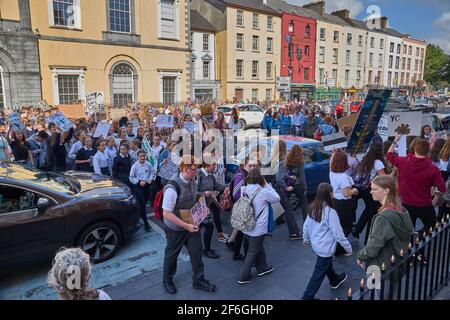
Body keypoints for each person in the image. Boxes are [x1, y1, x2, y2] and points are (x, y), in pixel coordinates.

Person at [162, 155, 216, 295]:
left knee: (197, 252)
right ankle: (167, 280)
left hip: (191, 224)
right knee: (172, 254)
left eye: (197, 169)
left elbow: (192, 195)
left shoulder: (192, 179)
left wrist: (203, 195)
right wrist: (186, 226)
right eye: (194, 169)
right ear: (184, 169)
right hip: (175, 227)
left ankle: (198, 280)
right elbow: (167, 214)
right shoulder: (171, 188)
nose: (196, 172)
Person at [357, 175, 414, 300]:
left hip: (380, 266)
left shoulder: (383, 218)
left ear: (386, 190)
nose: (370, 191)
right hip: (397, 263)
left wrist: (361, 255)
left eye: (375, 189)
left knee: (377, 296)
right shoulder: (402, 210)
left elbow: (374, 245)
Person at [386, 137, 446, 244]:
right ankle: (419, 244)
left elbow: (389, 154)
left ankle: (409, 252)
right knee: (432, 227)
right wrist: (433, 187)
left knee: (408, 232)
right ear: (428, 151)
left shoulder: (403, 161)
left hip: (407, 204)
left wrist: (396, 139)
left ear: (414, 150)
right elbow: (442, 188)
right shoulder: (433, 169)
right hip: (425, 205)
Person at [302, 183, 352, 300]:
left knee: (325, 263)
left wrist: (306, 238)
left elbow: (306, 226)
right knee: (318, 273)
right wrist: (348, 248)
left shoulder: (312, 207)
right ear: (329, 194)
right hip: (326, 247)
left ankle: (334, 280)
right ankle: (307, 297)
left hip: (317, 245)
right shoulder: (330, 212)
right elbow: (338, 234)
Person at [238, 168, 279, 284]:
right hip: (258, 227)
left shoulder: (243, 189)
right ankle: (243, 276)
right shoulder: (263, 191)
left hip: (246, 224)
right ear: (260, 179)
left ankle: (262, 268)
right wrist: (266, 184)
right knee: (252, 251)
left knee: (257, 246)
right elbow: (277, 198)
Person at [352, 142, 386, 243]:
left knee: (368, 209)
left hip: (363, 189)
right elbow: (383, 177)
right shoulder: (378, 162)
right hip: (372, 189)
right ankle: (368, 240)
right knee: (373, 213)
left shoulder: (366, 159)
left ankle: (358, 229)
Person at [226, 156, 258, 260]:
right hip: (240, 207)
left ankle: (234, 250)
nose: (253, 167)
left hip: (242, 207)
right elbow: (236, 194)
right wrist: (249, 197)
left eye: (254, 165)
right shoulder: (241, 176)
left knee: (240, 231)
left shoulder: (246, 174)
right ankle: (236, 253)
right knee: (240, 231)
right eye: (250, 165)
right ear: (243, 165)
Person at [268, 140, 302, 240]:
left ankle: (278, 221)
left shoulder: (272, 159)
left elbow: (275, 174)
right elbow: (279, 178)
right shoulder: (282, 161)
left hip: (271, 186)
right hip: (278, 188)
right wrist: (286, 188)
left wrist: (288, 176)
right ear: (283, 149)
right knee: (288, 210)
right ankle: (294, 233)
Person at [197, 154, 227, 259]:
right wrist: (203, 193)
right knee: (209, 226)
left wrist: (229, 187)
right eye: (213, 164)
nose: (215, 167)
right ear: (207, 164)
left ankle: (201, 248)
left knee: (202, 227)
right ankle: (207, 250)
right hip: (199, 206)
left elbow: (217, 186)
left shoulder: (210, 175)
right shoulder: (198, 174)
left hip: (206, 204)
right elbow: (193, 192)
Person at [329, 151, 359, 254]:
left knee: (338, 225)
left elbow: (331, 164)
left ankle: (335, 247)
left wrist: (334, 154)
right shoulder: (344, 177)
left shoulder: (331, 173)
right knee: (346, 227)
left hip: (335, 202)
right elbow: (346, 193)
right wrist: (354, 191)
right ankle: (340, 249)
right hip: (344, 204)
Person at [129, 150, 155, 232]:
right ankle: (146, 223)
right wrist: (138, 182)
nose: (143, 157)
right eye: (141, 156)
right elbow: (131, 177)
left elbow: (152, 172)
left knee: (144, 202)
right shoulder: (135, 166)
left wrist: (150, 179)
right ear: (138, 157)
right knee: (142, 204)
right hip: (139, 187)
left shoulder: (148, 164)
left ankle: (140, 215)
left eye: (144, 156)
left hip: (147, 186)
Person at [285, 145, 308, 224]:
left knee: (288, 204)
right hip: (298, 184)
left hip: (289, 184)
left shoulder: (287, 160)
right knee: (304, 203)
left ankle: (291, 223)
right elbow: (302, 177)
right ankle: (306, 222)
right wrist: (304, 187)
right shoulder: (300, 162)